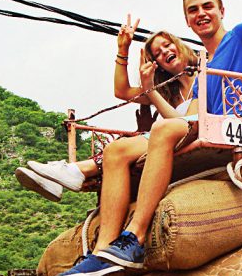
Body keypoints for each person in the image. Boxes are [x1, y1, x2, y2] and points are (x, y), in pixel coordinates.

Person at [51, 0, 242, 276]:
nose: (201, 14)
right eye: (193, 10)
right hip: (210, 130)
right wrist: (145, 81)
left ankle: (134, 237)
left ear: (221, 10)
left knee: (164, 129)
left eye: (207, 7)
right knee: (116, 151)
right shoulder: (202, 70)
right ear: (186, 20)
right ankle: (105, 249)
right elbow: (174, 112)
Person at [15, 16, 198, 202]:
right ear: (156, 64)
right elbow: (122, 91)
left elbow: (187, 123)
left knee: (120, 147)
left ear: (178, 44)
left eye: (167, 45)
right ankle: (59, 180)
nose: (164, 52)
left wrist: (150, 91)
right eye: (158, 53)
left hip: (181, 136)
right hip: (165, 139)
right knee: (120, 146)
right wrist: (123, 49)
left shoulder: (205, 73)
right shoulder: (168, 91)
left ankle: (72, 171)